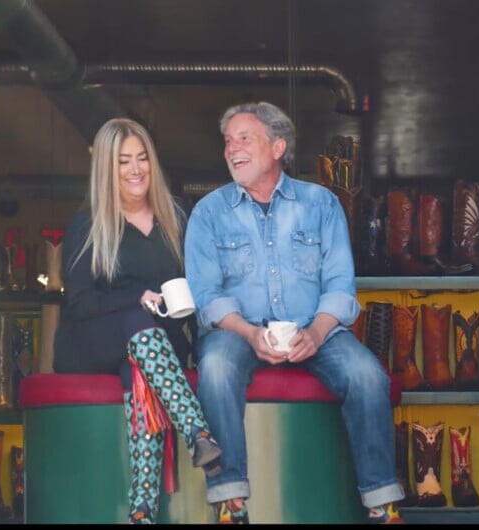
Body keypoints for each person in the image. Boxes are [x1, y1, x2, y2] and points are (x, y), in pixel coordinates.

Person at [184, 102, 405, 524]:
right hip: (237, 332)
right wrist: (250, 334)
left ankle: (382, 505)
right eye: (228, 141)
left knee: (367, 375)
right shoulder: (208, 212)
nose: (232, 149)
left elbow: (339, 285)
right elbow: (206, 295)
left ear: (278, 147)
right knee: (215, 367)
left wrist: (317, 332)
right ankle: (231, 505)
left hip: (314, 328)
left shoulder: (320, 204)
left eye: (244, 138)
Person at [53, 117, 222, 524]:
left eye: (142, 158)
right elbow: (80, 303)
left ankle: (141, 513)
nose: (135, 169)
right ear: (106, 169)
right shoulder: (88, 225)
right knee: (137, 321)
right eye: (123, 161)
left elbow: (197, 289)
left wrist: (200, 340)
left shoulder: (176, 217)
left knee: (141, 371)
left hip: (156, 347)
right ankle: (197, 431)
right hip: (95, 340)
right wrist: (137, 298)